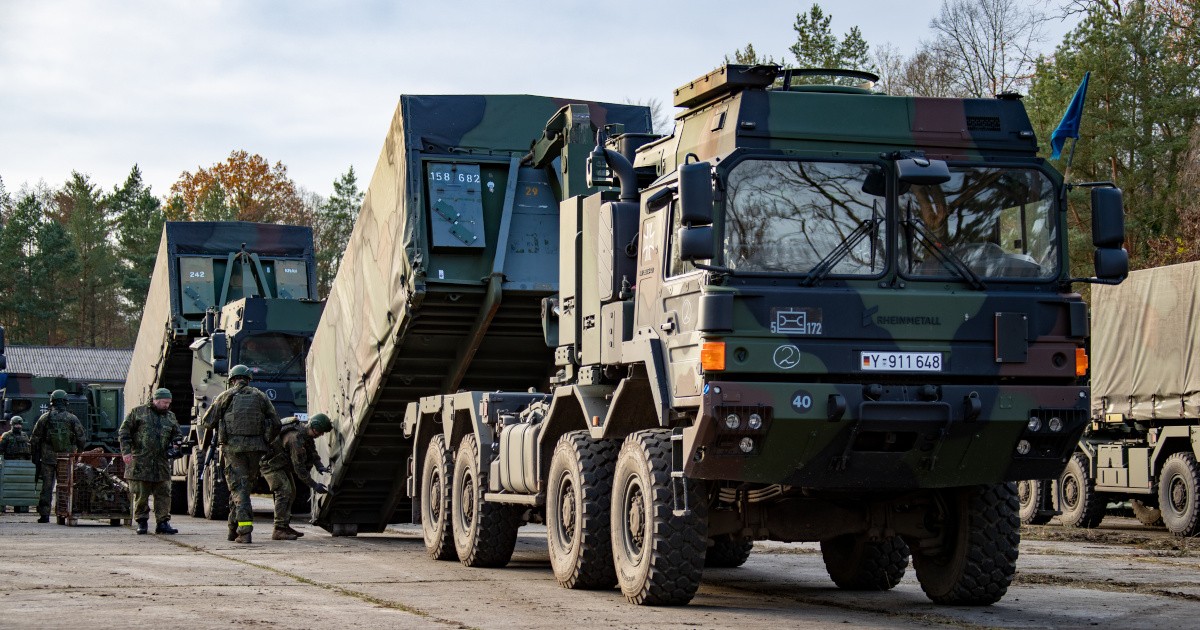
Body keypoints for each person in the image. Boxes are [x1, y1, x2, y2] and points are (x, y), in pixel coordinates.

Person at [201, 364, 279, 544]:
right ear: (249, 379)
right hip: (256, 450)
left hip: (234, 451)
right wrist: (266, 440)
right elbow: (276, 423)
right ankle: (232, 530)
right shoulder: (261, 396)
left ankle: (244, 530)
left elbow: (207, 422)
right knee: (241, 489)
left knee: (239, 490)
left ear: (232, 380)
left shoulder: (225, 396)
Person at [260, 413, 333, 540]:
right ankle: (278, 530)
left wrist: (319, 465)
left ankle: (284, 525)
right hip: (271, 466)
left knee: (291, 492)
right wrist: (314, 485)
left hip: (281, 465)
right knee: (284, 492)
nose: (321, 435)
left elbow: (312, 451)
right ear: (315, 427)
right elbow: (299, 469)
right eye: (321, 432)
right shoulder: (295, 439)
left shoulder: (305, 433)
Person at [119, 388, 180, 535]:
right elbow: (124, 432)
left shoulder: (170, 417)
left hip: (161, 463)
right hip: (141, 462)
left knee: (164, 493)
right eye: (164, 402)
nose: (167, 405)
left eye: (169, 403)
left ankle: (163, 522)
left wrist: (176, 444)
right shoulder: (138, 413)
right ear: (156, 400)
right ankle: (142, 522)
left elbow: (176, 433)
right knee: (141, 494)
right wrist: (126, 452)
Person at [30, 390, 86, 523]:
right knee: (66, 486)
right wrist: (79, 453)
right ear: (66, 401)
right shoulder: (72, 418)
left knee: (47, 486)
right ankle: (64, 512)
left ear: (52, 401)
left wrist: (35, 455)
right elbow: (81, 438)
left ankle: (44, 515)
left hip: (48, 458)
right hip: (66, 458)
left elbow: (35, 438)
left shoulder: (45, 417)